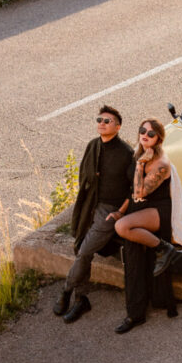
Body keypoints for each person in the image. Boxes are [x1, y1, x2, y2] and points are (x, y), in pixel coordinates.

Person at [53, 104, 134, 324]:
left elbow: (133, 189)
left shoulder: (126, 153)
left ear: (117, 126)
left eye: (107, 121)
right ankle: (81, 299)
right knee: (81, 247)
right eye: (99, 120)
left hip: (109, 210)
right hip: (90, 205)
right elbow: (84, 177)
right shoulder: (93, 145)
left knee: (84, 251)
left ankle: (66, 291)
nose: (102, 124)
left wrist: (120, 212)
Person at [112, 117, 181, 334]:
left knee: (122, 227)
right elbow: (130, 193)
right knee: (133, 260)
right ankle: (135, 314)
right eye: (143, 130)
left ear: (159, 138)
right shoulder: (138, 153)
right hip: (138, 210)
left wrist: (141, 164)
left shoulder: (161, 163)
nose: (145, 135)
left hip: (158, 211)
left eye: (151, 133)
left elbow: (140, 192)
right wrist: (121, 210)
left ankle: (164, 248)